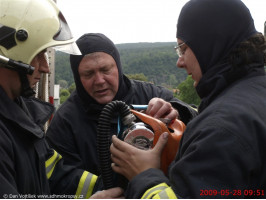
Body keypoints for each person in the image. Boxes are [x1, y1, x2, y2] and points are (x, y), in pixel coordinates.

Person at [110, 0, 266, 198]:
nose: (179, 62)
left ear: (209, 45)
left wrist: (144, 175)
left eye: (183, 48)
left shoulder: (220, 131)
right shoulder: (254, 96)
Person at [0, 0, 123, 198]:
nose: (45, 67)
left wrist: (116, 185)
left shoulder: (20, 112)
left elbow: (54, 175)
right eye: (39, 55)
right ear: (12, 54)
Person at [46, 33, 197, 188]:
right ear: (77, 77)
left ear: (118, 67)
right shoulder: (65, 120)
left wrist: (176, 112)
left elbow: (200, 120)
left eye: (105, 70)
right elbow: (58, 178)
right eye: (88, 74)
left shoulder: (151, 94)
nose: (99, 80)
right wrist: (100, 191)